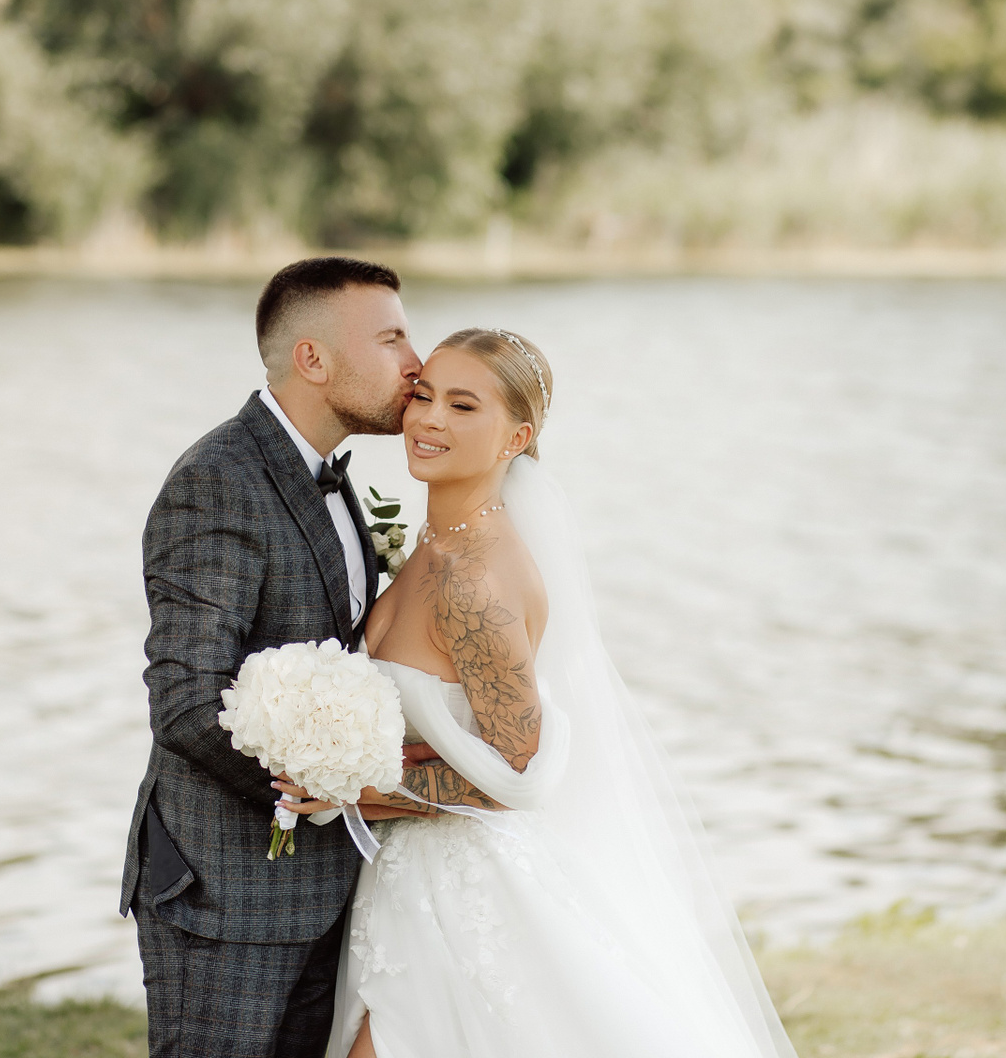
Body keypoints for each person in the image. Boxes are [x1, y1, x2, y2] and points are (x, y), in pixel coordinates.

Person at [276, 329, 797, 1058]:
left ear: (516, 438)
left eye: (464, 406)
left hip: (467, 895)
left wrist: (357, 788)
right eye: (424, 396)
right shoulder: (434, 544)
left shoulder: (474, 580)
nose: (430, 419)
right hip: (411, 876)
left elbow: (516, 768)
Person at [121, 256, 434, 1058]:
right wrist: (326, 790)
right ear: (313, 358)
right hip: (226, 891)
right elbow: (188, 702)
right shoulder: (218, 481)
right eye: (392, 340)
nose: (417, 363)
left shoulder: (330, 477)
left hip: (326, 886)